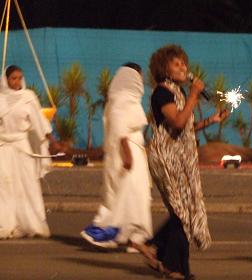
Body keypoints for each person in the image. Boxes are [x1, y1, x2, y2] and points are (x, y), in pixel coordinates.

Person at [135, 44, 228, 280]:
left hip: (180, 157)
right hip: (166, 159)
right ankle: (174, 267)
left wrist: (211, 121)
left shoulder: (179, 92)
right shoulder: (162, 93)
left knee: (183, 211)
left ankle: (157, 249)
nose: (183, 67)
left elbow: (186, 128)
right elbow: (176, 122)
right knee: (181, 212)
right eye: (176, 64)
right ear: (163, 68)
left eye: (183, 63)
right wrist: (195, 94)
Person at [80, 63, 153, 251]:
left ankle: (133, 237)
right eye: (139, 76)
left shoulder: (125, 99)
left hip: (133, 150)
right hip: (128, 152)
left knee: (134, 196)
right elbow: (121, 128)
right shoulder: (122, 99)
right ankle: (114, 233)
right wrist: (128, 154)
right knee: (132, 195)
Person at [0, 65, 60, 239]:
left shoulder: (28, 98)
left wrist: (53, 142)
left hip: (21, 147)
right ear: (6, 79)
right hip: (4, 147)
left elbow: (39, 123)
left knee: (27, 184)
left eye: (20, 78)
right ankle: (7, 222)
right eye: (13, 78)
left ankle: (31, 223)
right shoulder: (1, 99)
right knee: (5, 186)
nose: (17, 82)